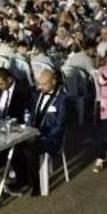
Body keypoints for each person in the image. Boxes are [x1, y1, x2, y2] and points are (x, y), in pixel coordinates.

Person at [15, 68, 68, 196]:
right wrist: (27, 131)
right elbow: (33, 115)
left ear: (54, 82)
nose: (40, 87)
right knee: (16, 146)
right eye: (40, 83)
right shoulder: (38, 94)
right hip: (34, 133)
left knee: (29, 150)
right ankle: (23, 180)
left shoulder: (62, 100)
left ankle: (36, 184)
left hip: (51, 139)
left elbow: (59, 126)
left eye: (44, 84)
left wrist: (40, 136)